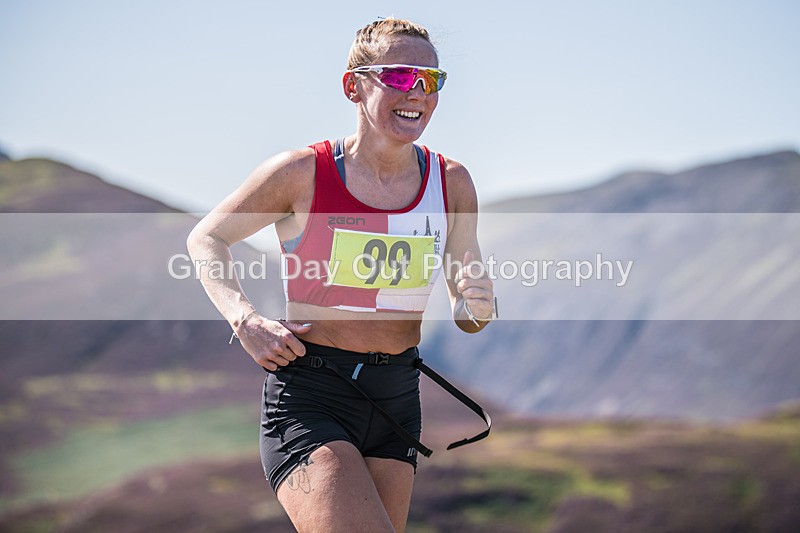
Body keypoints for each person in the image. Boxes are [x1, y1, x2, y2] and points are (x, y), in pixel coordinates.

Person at [187, 18, 496, 532]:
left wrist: (478, 305)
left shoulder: (452, 183)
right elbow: (206, 238)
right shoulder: (301, 172)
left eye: (431, 79)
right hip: (313, 396)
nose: (417, 92)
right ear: (354, 86)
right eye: (399, 76)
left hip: (397, 398)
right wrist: (245, 320)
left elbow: (470, 309)